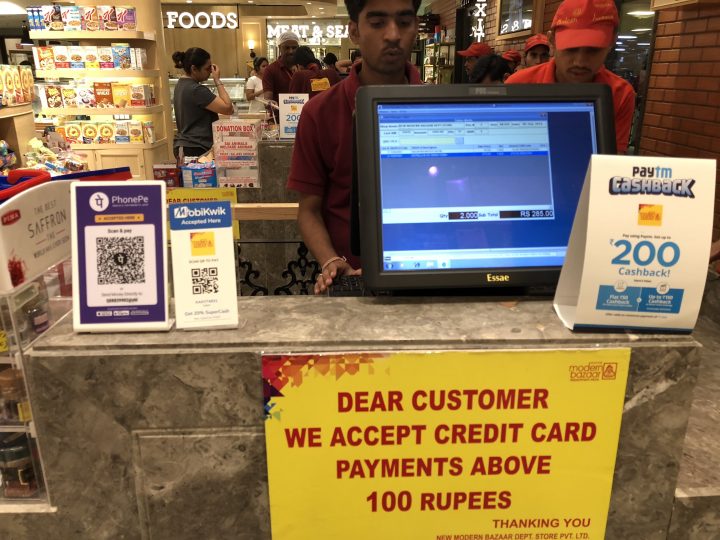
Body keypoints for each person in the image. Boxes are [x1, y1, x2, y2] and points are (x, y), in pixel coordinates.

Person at [286, 0, 422, 294]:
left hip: (434, 274)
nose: (392, 34)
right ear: (354, 31)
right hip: (355, 280)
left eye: (404, 22)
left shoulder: (441, 105)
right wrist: (331, 260)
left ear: (416, 28)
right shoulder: (319, 112)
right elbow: (308, 210)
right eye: (377, 23)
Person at [505, 0, 635, 154]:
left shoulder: (620, 94)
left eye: (593, 50)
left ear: (611, 42)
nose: (580, 62)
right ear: (552, 40)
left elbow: (611, 160)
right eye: (571, 49)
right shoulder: (518, 84)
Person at [171, 47, 234, 160]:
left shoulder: (181, 84)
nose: (211, 71)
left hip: (186, 145)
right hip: (196, 147)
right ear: (194, 69)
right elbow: (228, 108)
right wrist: (217, 80)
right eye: (207, 68)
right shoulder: (196, 90)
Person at [262, 31, 299, 104]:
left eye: (294, 48)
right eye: (287, 48)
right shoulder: (270, 70)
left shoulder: (303, 68)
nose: (291, 51)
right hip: (279, 111)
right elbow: (267, 99)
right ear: (279, 48)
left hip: (303, 111)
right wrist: (269, 103)